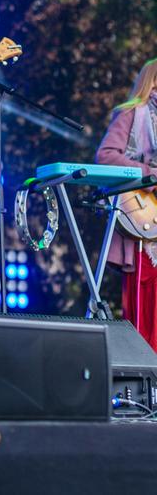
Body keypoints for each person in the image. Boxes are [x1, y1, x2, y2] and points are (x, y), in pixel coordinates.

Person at [96, 57, 157, 350]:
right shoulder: (132, 113)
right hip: (143, 225)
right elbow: (106, 156)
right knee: (146, 308)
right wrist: (149, 174)